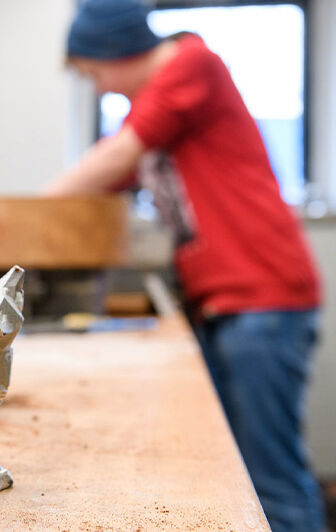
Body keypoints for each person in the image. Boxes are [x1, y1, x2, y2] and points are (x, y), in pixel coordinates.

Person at [44, 1, 325, 530]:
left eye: (94, 73)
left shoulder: (191, 64)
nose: (101, 88)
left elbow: (114, 157)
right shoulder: (157, 102)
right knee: (239, 472)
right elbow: (111, 175)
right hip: (230, 304)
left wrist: (19, 220)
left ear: (116, 50)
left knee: (270, 480)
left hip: (261, 297)